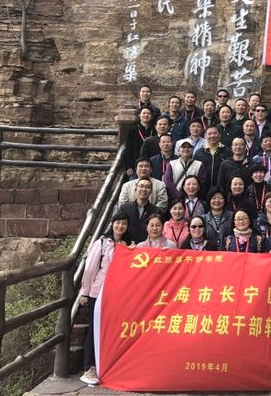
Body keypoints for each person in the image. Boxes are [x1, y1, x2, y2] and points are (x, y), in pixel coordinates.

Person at [78, 211, 132, 386]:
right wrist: (84, 292)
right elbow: (90, 269)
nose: (120, 226)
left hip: (119, 294)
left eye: (124, 223)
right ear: (112, 223)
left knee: (113, 329)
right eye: (118, 222)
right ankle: (89, 367)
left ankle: (107, 366)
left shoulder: (129, 244)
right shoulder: (101, 243)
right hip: (99, 292)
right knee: (95, 328)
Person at [118, 178, 159, 243]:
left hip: (147, 246)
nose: (144, 189)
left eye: (147, 187)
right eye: (141, 186)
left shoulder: (156, 211)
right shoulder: (125, 208)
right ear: (135, 189)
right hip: (126, 245)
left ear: (151, 191)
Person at [124, 106, 156, 177]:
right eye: (144, 113)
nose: (146, 115)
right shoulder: (133, 130)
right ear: (139, 115)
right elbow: (128, 148)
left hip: (151, 164)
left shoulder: (154, 130)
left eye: (148, 113)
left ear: (151, 116)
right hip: (135, 164)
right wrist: (129, 166)